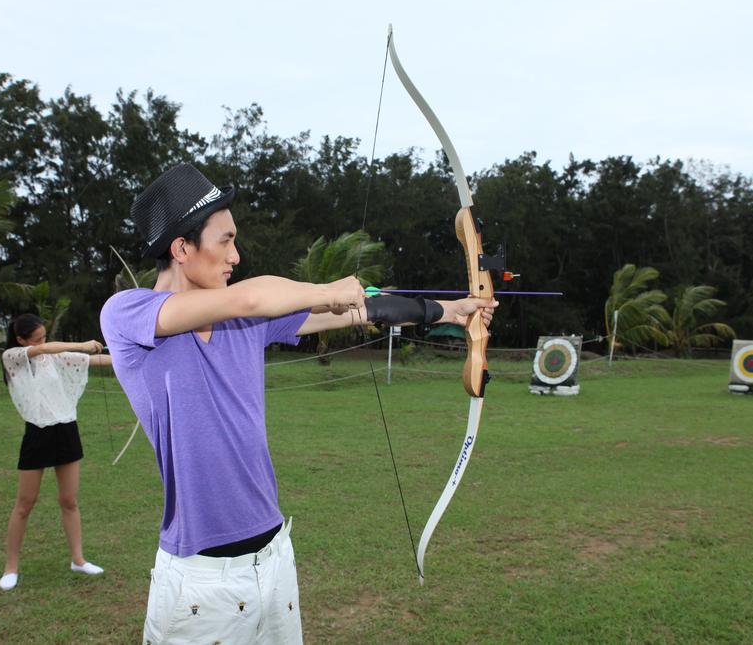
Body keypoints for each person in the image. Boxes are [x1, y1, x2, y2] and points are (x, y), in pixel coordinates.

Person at [100, 163, 497, 644]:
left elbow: (359, 308)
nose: (236, 255)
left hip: (273, 559)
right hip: (201, 585)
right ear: (182, 248)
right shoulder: (128, 315)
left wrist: (449, 310)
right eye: (224, 241)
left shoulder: (249, 317)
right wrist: (328, 289)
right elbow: (252, 300)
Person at [0, 313, 112, 591]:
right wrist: (82, 344)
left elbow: (97, 360)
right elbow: (48, 349)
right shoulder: (13, 356)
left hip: (66, 430)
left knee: (69, 501)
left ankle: (78, 559)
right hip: (37, 433)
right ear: (21, 340)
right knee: (25, 504)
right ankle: (10, 568)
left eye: (44, 337)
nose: (43, 343)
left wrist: (138, 352)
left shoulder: (55, 357)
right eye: (36, 340)